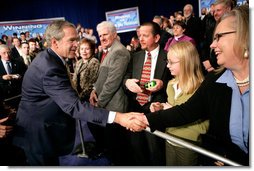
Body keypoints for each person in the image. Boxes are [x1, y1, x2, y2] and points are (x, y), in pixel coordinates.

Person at [12, 20, 146, 166]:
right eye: (72, 40)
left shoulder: (50, 58)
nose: (77, 44)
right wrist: (119, 117)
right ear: (55, 43)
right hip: (38, 135)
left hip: (45, 130)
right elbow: (74, 106)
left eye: (77, 39)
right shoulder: (50, 67)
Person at [142, 5, 249, 166]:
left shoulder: (201, 82)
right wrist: (144, 118)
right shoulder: (214, 80)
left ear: (245, 36)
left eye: (219, 37)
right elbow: (186, 112)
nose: (212, 45)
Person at [150, 41, 209, 166]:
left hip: (187, 143)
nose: (167, 66)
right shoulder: (171, 84)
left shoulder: (201, 87)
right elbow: (170, 110)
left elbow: (202, 122)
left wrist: (172, 110)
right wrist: (160, 107)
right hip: (169, 138)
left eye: (171, 62)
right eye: (167, 62)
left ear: (186, 62)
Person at [123, 21, 172, 165]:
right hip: (135, 107)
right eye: (139, 35)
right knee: (137, 148)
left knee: (155, 149)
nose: (141, 39)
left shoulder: (168, 56)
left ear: (156, 38)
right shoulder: (135, 56)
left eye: (145, 35)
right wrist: (127, 83)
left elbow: (176, 81)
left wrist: (163, 84)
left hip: (155, 108)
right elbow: (126, 77)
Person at [89, 21, 131, 165]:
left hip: (114, 106)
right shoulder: (109, 50)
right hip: (106, 105)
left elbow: (112, 83)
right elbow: (102, 78)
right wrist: (94, 90)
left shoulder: (119, 51)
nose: (102, 38)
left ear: (114, 34)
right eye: (100, 35)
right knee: (111, 144)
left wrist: (99, 103)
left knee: (117, 146)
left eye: (105, 34)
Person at [72, 38, 100, 102]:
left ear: (92, 50)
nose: (84, 51)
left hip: (88, 98)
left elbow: (92, 83)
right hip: (77, 97)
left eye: (87, 49)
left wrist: (79, 98)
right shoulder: (79, 62)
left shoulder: (94, 62)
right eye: (82, 49)